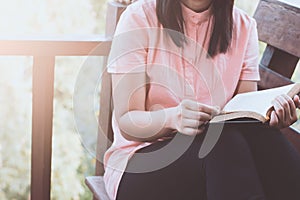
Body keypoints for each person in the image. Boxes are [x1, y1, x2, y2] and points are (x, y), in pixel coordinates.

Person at [103, 0, 300, 199]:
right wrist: (173, 118)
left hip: (221, 161)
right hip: (143, 162)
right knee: (221, 142)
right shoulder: (139, 17)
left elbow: (246, 118)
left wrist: (271, 116)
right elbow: (128, 121)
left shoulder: (242, 26)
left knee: (261, 138)